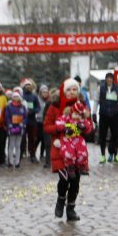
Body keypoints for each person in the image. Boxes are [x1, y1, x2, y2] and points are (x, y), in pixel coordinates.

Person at [46, 82, 93, 221]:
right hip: (60, 148)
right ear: (63, 91)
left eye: (74, 90)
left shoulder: (82, 107)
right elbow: (47, 127)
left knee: (75, 181)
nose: (72, 92)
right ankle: (60, 200)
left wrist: (80, 128)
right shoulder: (55, 106)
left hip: (77, 150)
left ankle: (71, 209)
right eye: (69, 90)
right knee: (65, 178)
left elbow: (89, 127)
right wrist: (62, 129)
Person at [97, 72, 118, 164]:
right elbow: (96, 100)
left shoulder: (117, 88)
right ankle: (103, 155)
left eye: (111, 78)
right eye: (108, 78)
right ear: (106, 79)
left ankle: (116, 154)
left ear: (113, 79)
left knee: (116, 135)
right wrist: (94, 113)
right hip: (103, 114)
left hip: (114, 115)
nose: (109, 80)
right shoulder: (101, 88)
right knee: (102, 136)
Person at [5, 91, 27, 169]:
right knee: (11, 145)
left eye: (17, 97)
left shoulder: (22, 106)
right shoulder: (9, 106)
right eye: (14, 97)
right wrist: (9, 125)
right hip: (12, 128)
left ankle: (17, 162)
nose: (15, 98)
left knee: (18, 146)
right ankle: (10, 161)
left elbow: (25, 117)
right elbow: (7, 116)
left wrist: (22, 124)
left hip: (20, 128)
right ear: (12, 98)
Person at [21, 79, 40, 164]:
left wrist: (32, 111)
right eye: (26, 85)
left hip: (32, 120)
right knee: (22, 138)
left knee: (32, 138)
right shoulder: (21, 96)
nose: (28, 87)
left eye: (29, 85)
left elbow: (38, 107)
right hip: (23, 120)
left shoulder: (34, 96)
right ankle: (21, 154)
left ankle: (32, 155)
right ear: (24, 87)